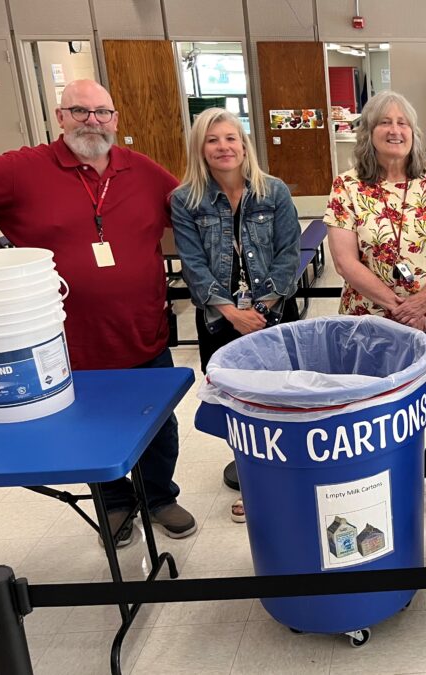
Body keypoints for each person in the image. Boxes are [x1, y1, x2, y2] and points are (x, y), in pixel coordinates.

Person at [0, 79, 196, 545]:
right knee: (91, 425)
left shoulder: (143, 171)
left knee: (157, 419)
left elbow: (192, 210)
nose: (93, 121)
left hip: (140, 327)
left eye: (102, 112)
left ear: (115, 119)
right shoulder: (21, 169)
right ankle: (113, 503)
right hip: (64, 338)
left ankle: (158, 497)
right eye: (81, 111)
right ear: (60, 116)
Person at [323, 91, 426, 512]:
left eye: (403, 123)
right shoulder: (347, 185)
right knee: (380, 403)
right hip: (373, 319)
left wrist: (422, 301)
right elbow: (343, 259)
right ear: (368, 134)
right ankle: (381, 475)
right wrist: (398, 306)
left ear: (414, 132)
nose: (395, 130)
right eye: (384, 123)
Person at [171, 108, 302, 523]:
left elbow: (288, 254)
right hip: (219, 319)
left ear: (244, 145)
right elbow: (193, 264)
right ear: (200, 149)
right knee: (240, 402)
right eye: (213, 140)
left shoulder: (274, 191)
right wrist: (232, 313)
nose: (224, 147)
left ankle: (290, 470)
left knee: (284, 397)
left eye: (231, 138)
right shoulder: (185, 200)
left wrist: (260, 309)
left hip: (274, 313)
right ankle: (255, 477)